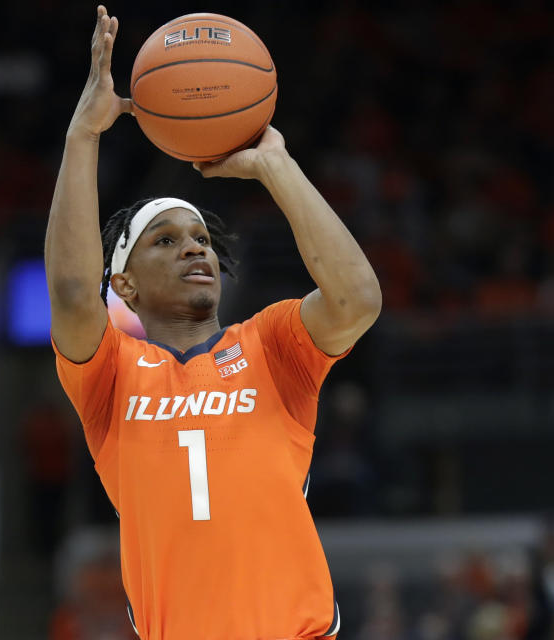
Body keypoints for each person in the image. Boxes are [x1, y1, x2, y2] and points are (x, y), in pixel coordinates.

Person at [44, 6, 382, 640]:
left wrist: (276, 167)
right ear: (125, 285)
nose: (195, 248)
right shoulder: (110, 375)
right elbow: (68, 289)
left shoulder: (274, 343)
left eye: (200, 238)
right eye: (165, 241)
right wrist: (82, 137)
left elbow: (358, 298)